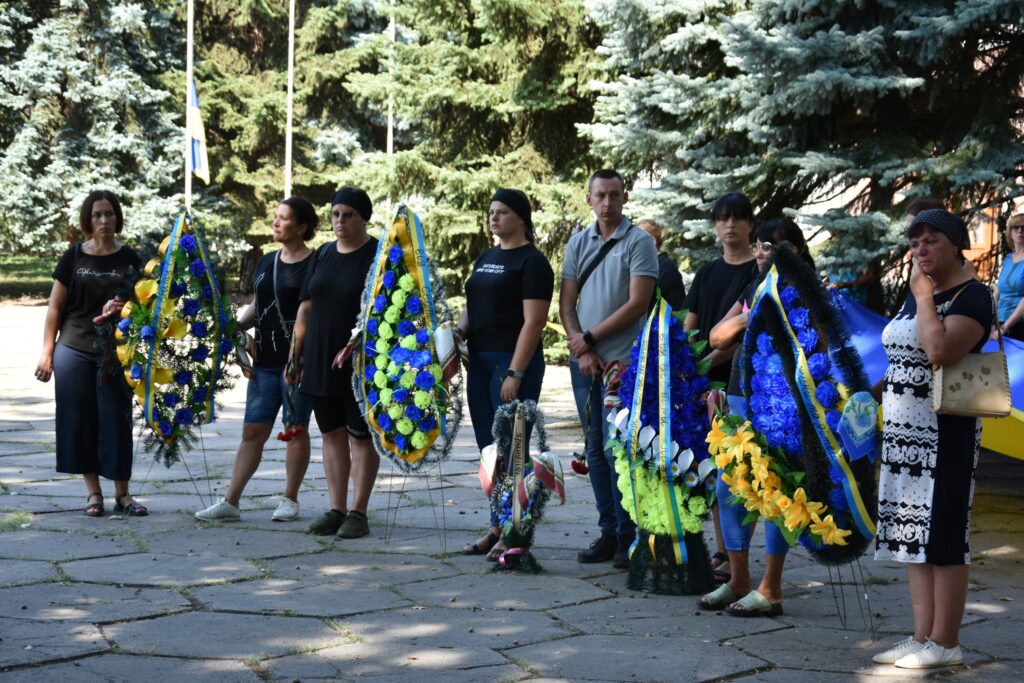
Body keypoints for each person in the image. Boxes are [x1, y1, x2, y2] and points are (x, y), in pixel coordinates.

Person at [871, 209, 993, 669]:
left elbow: (939, 350)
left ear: (957, 244)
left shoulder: (973, 296)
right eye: (915, 242)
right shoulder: (920, 293)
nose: (921, 250)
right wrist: (870, 396)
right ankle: (922, 636)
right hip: (904, 431)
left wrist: (923, 298)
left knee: (943, 535)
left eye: (932, 241)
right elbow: (904, 353)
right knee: (911, 536)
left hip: (945, 432)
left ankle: (946, 642)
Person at [700, 218, 814, 616]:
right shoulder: (754, 287)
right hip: (741, 394)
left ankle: (772, 587)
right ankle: (738, 579)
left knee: (775, 493)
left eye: (774, 246)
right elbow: (717, 337)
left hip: (781, 405)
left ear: (795, 251)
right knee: (730, 488)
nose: (763, 253)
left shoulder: (810, 293)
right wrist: (756, 311)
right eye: (761, 246)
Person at [195, 197, 317, 522]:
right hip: (263, 361)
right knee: (252, 431)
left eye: (284, 218)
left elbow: (311, 313)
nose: (276, 223)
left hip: (298, 363)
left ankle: (289, 499)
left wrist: (298, 358)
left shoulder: (315, 263)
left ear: (302, 227)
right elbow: (258, 305)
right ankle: (230, 502)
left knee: (295, 429)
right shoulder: (266, 260)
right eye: (275, 217)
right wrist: (235, 328)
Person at [560, 169, 658, 568]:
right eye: (600, 195)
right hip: (585, 362)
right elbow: (566, 303)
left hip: (625, 361)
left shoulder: (640, 242)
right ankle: (609, 532)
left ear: (624, 197)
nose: (607, 202)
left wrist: (591, 338)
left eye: (614, 195)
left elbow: (638, 303)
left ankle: (631, 534)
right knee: (595, 450)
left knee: (621, 449)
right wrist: (580, 346)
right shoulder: (578, 242)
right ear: (589, 199)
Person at [35, 190, 145, 517]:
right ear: (88, 220)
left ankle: (123, 495)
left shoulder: (131, 259)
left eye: (109, 214)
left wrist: (128, 308)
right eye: (97, 215)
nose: (103, 220)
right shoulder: (73, 258)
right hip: (74, 349)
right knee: (79, 422)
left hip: (117, 354)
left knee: (117, 421)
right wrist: (47, 352)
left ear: (117, 218)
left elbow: (144, 306)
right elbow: (55, 306)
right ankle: (93, 494)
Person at [459, 189, 553, 559]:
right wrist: (458, 335)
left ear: (521, 217)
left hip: (511, 363)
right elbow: (472, 306)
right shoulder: (486, 256)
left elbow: (534, 323)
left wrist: (516, 371)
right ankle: (497, 526)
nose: (494, 218)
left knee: (514, 452)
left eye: (502, 212)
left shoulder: (532, 263)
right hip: (480, 363)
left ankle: (517, 532)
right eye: (491, 212)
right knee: (490, 451)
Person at [291, 187, 379, 539]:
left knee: (360, 438)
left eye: (348, 215)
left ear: (363, 218)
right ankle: (336, 507)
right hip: (319, 359)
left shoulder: (377, 255)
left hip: (359, 363)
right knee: (331, 435)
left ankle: (359, 511)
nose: (340, 221)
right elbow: (306, 306)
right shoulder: (324, 253)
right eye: (335, 214)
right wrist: (295, 353)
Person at [682, 191, 758, 582]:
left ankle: (736, 555)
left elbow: (743, 338)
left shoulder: (755, 276)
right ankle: (722, 549)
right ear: (715, 225)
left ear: (749, 224)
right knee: (712, 471)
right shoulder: (708, 272)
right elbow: (691, 324)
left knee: (737, 474)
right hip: (701, 382)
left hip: (733, 381)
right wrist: (680, 362)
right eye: (722, 218)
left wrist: (704, 366)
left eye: (737, 218)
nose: (730, 225)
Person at [637, 219, 686, 309]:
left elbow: (676, 310)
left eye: (637, 238)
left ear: (652, 241)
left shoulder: (667, 270)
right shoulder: (643, 266)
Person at [993, 213, 1024, 340]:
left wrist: (1005, 327)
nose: (1020, 231)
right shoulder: (1007, 259)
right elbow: (998, 291)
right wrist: (991, 320)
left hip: (1019, 325)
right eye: (1015, 227)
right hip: (999, 323)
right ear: (1010, 233)